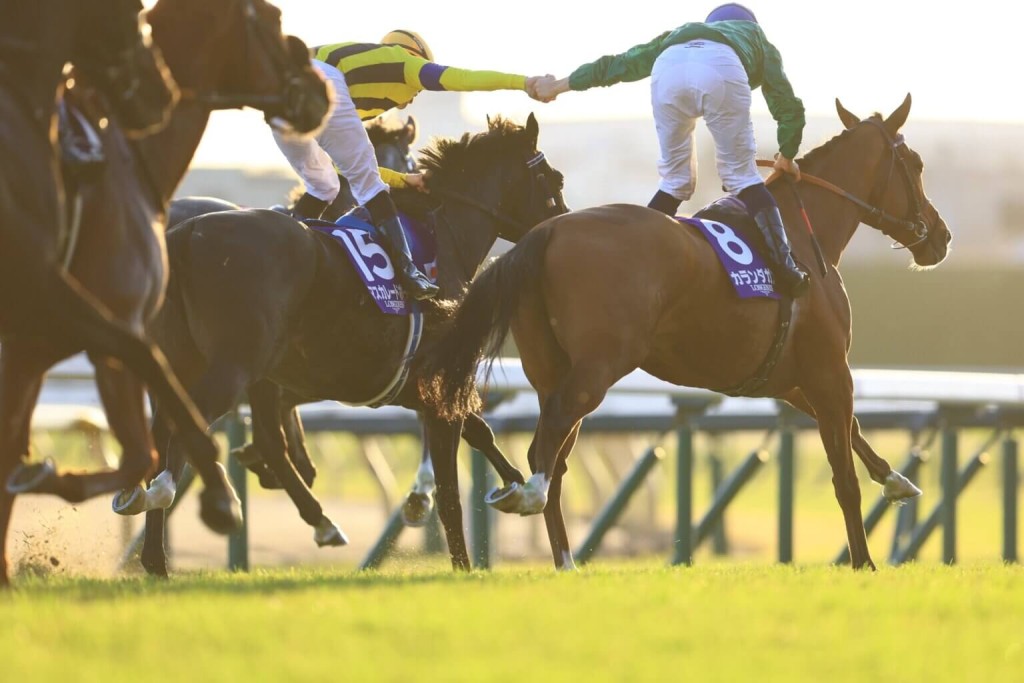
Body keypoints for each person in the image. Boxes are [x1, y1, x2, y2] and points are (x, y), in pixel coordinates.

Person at [532, 4, 809, 297]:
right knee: (742, 178)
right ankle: (786, 270)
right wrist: (786, 156)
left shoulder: (679, 33)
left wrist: (559, 86)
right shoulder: (756, 37)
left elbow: (618, 65)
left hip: (669, 68)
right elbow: (788, 107)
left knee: (675, 183)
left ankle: (635, 254)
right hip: (722, 67)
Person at [274, 30, 550, 300]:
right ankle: (409, 272)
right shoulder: (404, 62)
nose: (413, 99)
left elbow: (342, 166)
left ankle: (287, 248)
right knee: (369, 188)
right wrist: (524, 82)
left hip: (277, 93)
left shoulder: (353, 86)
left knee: (324, 184)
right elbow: (462, 78)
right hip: (318, 80)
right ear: (413, 55)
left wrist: (404, 179)